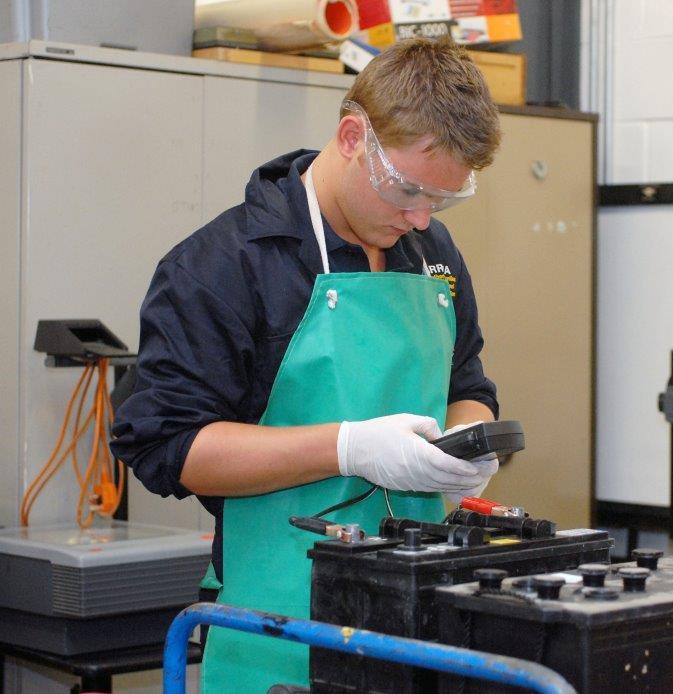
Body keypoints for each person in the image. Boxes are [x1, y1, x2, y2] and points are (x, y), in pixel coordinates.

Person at [111, 38, 503, 691]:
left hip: (420, 618)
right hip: (281, 625)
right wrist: (347, 448)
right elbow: (168, 446)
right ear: (353, 136)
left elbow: (468, 384)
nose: (421, 216)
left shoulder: (429, 252)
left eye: (445, 199)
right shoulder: (224, 267)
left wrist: (465, 448)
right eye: (406, 189)